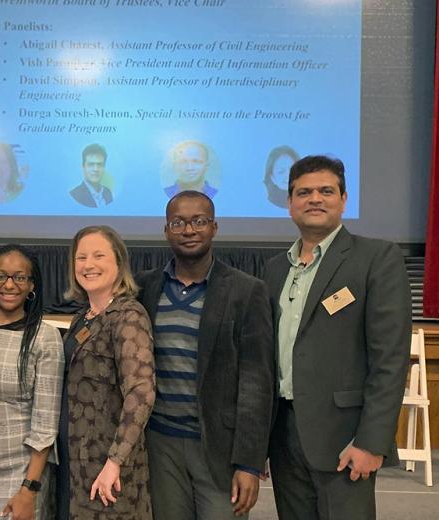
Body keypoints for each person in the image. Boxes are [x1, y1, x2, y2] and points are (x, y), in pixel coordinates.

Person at [263, 155, 411, 519]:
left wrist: (371, 441)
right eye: (304, 192)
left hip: (345, 438)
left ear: (344, 200)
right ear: (290, 204)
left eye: (326, 191)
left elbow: (389, 359)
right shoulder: (274, 269)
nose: (315, 198)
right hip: (283, 435)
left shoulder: (376, 258)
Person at [136, 191, 275, 519]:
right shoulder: (144, 287)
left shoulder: (246, 291)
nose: (188, 230)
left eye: (198, 221)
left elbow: (257, 383)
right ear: (166, 230)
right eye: (178, 222)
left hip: (218, 447)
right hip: (160, 444)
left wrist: (249, 463)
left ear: (214, 227)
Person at [56, 225, 156, 520]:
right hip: (75, 463)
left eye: (99, 256)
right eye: (81, 257)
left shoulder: (128, 316)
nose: (88, 265)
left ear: (119, 262)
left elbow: (141, 392)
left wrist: (115, 461)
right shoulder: (81, 318)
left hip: (110, 466)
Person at [0, 244, 64, 519]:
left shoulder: (45, 338)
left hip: (20, 477)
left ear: (32, 285)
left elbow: (45, 424)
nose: (9, 285)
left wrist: (29, 489)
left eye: (19, 277)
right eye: (0, 276)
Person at [69, 143, 114, 208]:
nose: (95, 169)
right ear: (83, 167)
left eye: (99, 164)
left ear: (104, 167)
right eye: (91, 164)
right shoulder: (74, 195)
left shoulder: (108, 193)